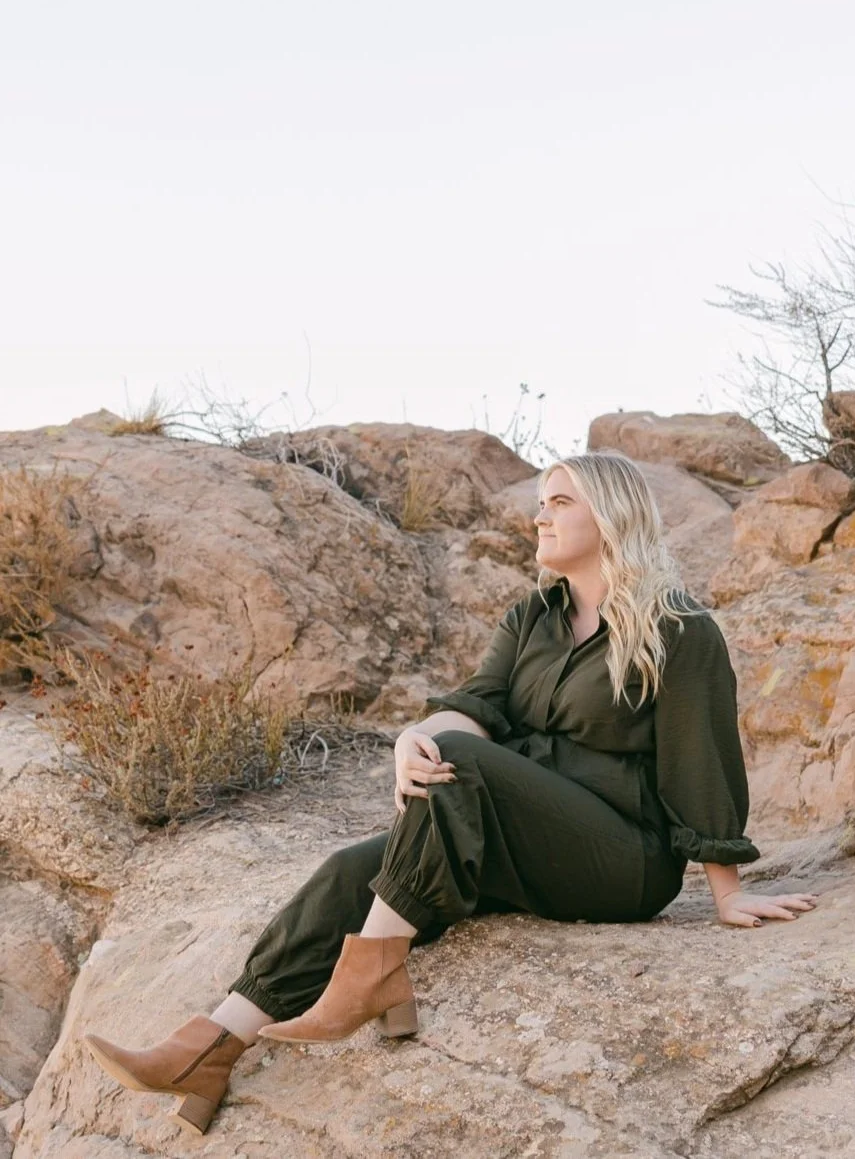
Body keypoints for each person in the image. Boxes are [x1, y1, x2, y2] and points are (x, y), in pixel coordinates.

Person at [84, 450, 817, 1134]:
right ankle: (208, 1047)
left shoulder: (678, 628)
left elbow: (702, 757)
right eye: (539, 501)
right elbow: (476, 702)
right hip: (527, 841)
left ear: (610, 517)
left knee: (460, 760)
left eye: (559, 501)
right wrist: (414, 734)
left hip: (621, 859)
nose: (540, 515)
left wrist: (725, 890)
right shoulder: (533, 617)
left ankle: (371, 973)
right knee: (352, 867)